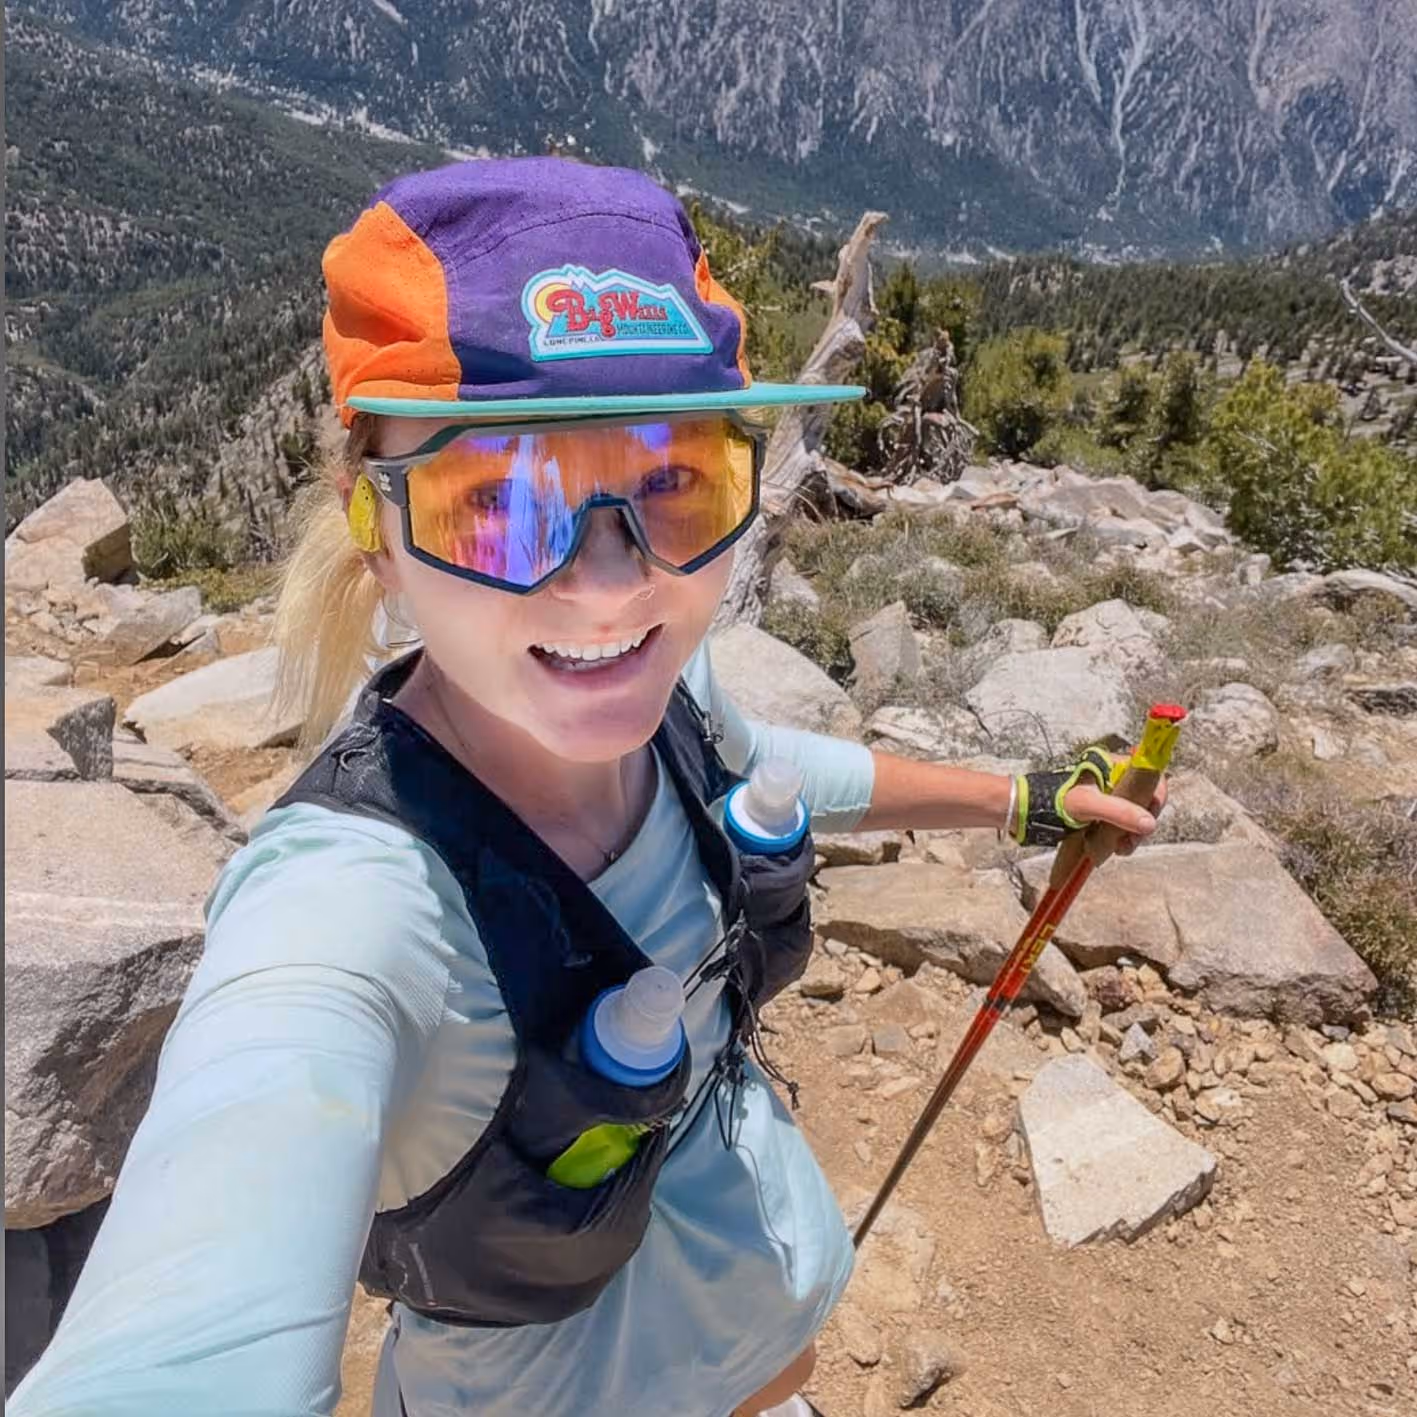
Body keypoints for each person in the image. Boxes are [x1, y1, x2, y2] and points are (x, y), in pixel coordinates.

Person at [9, 158, 1165, 1417]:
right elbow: (200, 1297)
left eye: (676, 483)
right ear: (373, 529)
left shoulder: (666, 698)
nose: (611, 584)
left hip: (755, 1303)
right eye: (500, 502)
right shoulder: (346, 912)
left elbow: (773, 768)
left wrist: (1023, 800)